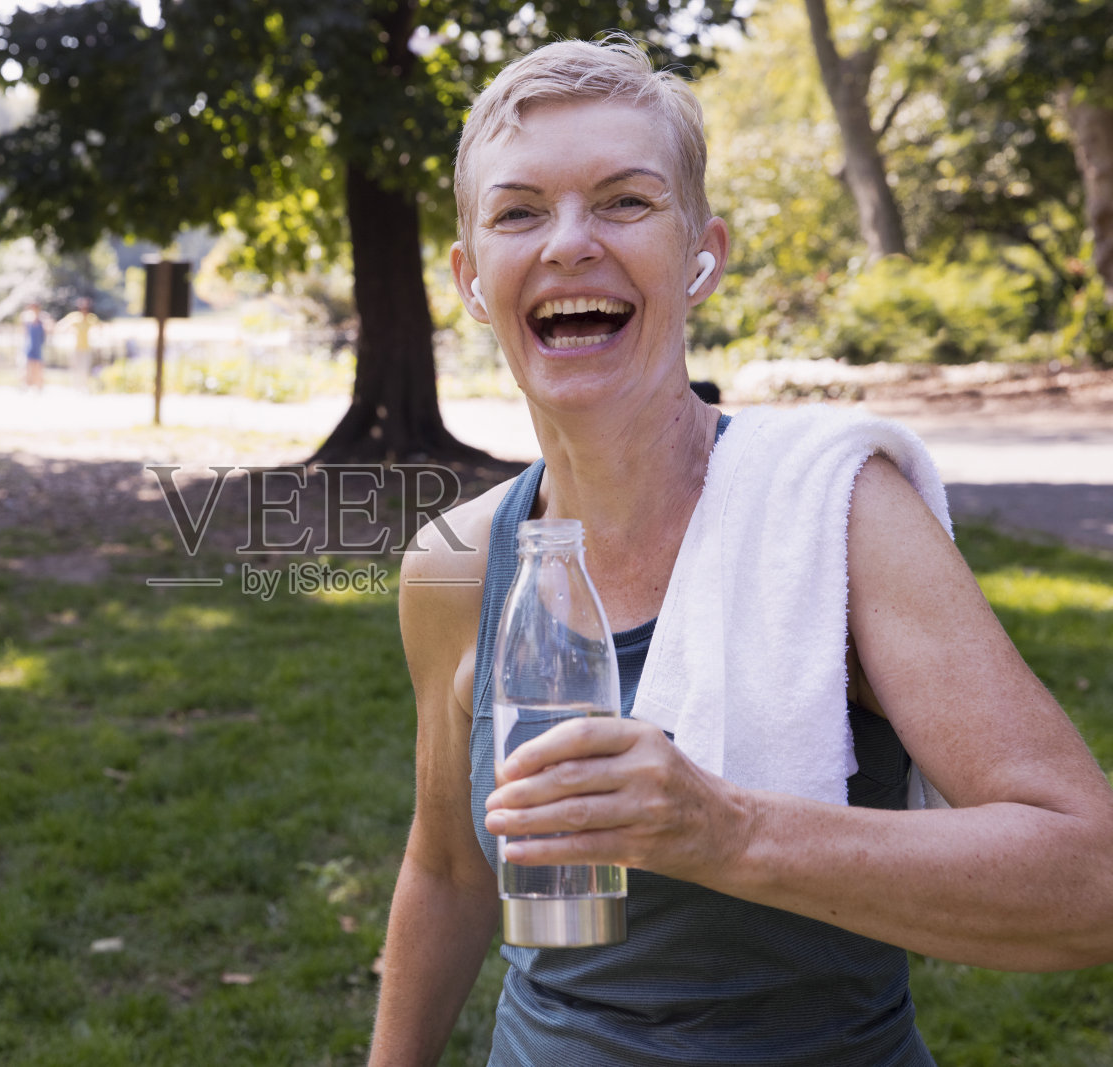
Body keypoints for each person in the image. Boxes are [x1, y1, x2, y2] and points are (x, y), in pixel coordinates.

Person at [368, 37, 1113, 1067]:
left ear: (700, 254)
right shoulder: (455, 563)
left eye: (625, 202)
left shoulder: (839, 511)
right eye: (519, 211)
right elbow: (448, 871)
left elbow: (1088, 880)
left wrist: (722, 830)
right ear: (469, 277)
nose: (569, 242)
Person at [59, 296, 100, 386]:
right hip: (75, 347)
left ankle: (84, 386)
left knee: (85, 368)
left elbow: (99, 329)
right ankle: (76, 387)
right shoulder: (74, 317)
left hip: (86, 348)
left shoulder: (91, 318)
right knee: (75, 368)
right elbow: (61, 326)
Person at [22, 301, 52, 392]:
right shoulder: (28, 320)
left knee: (38, 368)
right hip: (30, 346)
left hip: (39, 347)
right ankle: (27, 385)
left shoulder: (43, 321)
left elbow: (48, 330)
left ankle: (39, 386)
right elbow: (25, 333)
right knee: (28, 367)